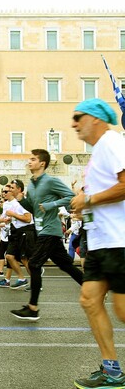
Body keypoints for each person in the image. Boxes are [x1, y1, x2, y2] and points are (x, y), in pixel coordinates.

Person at [69, 99, 125, 388]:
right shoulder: (98, 151)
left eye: (78, 117)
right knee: (90, 300)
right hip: (101, 240)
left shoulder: (112, 141)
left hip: (120, 240)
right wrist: (84, 207)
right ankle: (113, 371)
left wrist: (88, 199)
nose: (73, 123)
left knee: (123, 312)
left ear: (96, 118)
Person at [10, 149, 83, 321]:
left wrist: (52, 205)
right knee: (66, 265)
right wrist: (21, 199)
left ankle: (33, 308)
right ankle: (94, 289)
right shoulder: (32, 184)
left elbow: (71, 197)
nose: (29, 162)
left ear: (42, 163)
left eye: (33, 159)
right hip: (41, 230)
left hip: (50, 230)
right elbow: (35, 209)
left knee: (34, 264)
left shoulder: (50, 181)